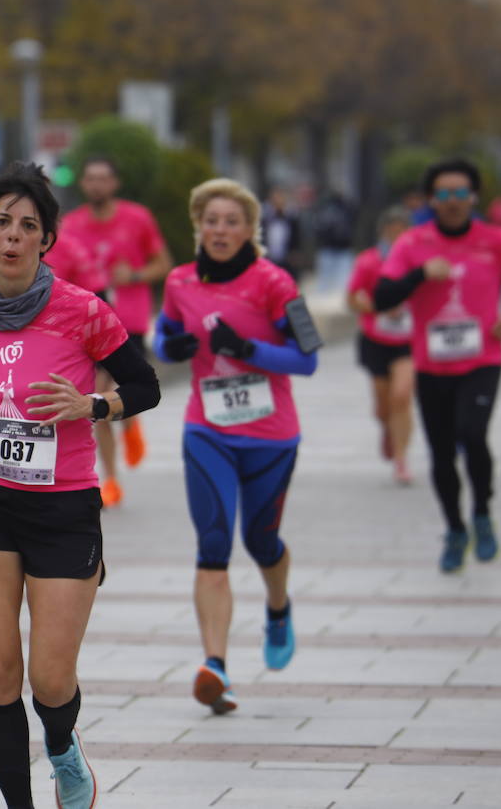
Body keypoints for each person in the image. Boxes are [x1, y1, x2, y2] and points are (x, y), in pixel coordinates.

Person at [0, 162, 159, 809]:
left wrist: (94, 407)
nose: (15, 237)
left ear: (48, 240)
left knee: (51, 681)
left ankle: (61, 744)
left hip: (64, 508)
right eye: (3, 224)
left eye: (29, 226)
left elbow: (146, 386)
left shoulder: (84, 311)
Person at [153, 178, 320, 717]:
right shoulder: (180, 280)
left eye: (232, 222)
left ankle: (277, 606)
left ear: (250, 229)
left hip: (271, 435)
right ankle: (215, 666)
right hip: (209, 431)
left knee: (261, 539)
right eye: (211, 220)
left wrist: (250, 349)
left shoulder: (275, 283)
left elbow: (308, 358)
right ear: (198, 225)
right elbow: (164, 333)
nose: (220, 230)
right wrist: (168, 345)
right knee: (215, 543)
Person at [374, 158, 501, 573]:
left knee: (473, 433)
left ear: (474, 197)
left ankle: (482, 511)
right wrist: (420, 274)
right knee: (442, 453)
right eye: (443, 194)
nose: (452, 201)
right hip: (431, 364)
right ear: (431, 199)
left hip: (482, 357)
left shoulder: (496, 240)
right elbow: (382, 295)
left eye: (460, 193)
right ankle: (454, 529)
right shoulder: (412, 244)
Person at [60, 157, 171, 507]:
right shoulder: (72, 225)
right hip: (89, 325)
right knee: (99, 397)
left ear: (115, 183)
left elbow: (163, 263)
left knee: (111, 392)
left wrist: (135, 276)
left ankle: (129, 422)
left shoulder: (137, 218)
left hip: (129, 322)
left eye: (103, 178)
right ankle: (110, 480)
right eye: (90, 178)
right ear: (83, 184)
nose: (96, 185)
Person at [347, 207, 415, 484]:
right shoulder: (369, 261)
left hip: (408, 340)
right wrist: (378, 308)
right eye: (392, 231)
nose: (397, 236)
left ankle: (401, 460)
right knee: (383, 404)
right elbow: (352, 297)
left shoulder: (416, 262)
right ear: (383, 232)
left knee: (402, 395)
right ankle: (388, 428)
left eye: (402, 231)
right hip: (375, 338)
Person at [314, 191, 357, 296]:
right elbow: (318, 229)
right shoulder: (324, 209)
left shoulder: (347, 208)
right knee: (324, 284)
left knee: (344, 283)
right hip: (327, 249)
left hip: (344, 249)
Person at [261, 186, 306, 280]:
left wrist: (296, 253)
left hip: (288, 259)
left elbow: (297, 237)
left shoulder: (292, 217)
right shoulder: (265, 218)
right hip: (270, 258)